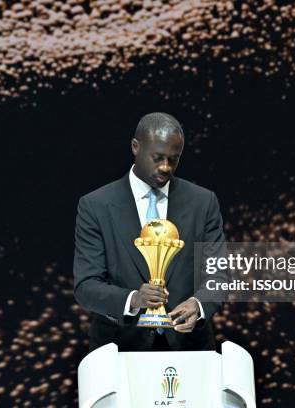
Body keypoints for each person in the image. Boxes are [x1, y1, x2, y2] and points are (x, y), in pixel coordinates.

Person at [73, 112, 225, 352]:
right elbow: (86, 285)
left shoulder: (203, 202)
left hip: (189, 348)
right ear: (136, 147)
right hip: (120, 348)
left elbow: (219, 275)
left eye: (173, 159)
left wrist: (199, 304)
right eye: (158, 157)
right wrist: (133, 299)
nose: (165, 167)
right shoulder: (96, 206)